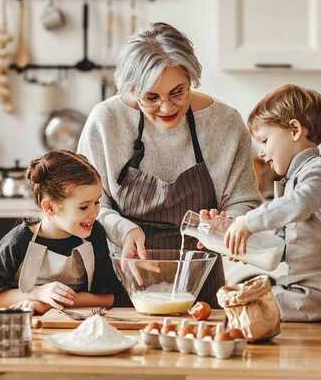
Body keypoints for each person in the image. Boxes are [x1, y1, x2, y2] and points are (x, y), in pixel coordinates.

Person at [77, 22, 260, 307]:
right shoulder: (106, 121)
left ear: (191, 79)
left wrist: (225, 225)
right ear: (131, 89)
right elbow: (88, 205)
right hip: (125, 277)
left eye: (178, 92)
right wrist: (125, 231)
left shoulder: (225, 124)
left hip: (201, 283)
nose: (166, 108)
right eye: (151, 97)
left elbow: (244, 201)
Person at [223, 84, 321, 321]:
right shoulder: (294, 179)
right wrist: (243, 244)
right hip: (309, 286)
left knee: (247, 308)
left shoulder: (320, 171)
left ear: (295, 130)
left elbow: (297, 204)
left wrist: (248, 221)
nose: (263, 153)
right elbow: (282, 244)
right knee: (244, 302)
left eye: (265, 140)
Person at [0, 150, 121, 315]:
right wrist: (37, 293)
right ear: (49, 207)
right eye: (84, 207)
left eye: (97, 202)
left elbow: (109, 298)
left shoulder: (95, 234)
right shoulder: (18, 241)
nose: (94, 213)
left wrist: (50, 304)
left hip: (82, 328)